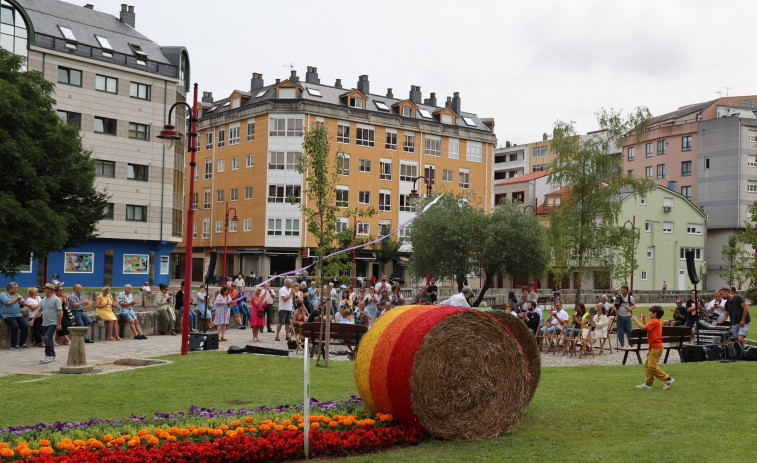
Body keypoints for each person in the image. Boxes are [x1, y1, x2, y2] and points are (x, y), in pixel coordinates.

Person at [632, 306, 675, 390]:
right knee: (647, 365)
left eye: (650, 312)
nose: (648, 313)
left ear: (655, 314)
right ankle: (648, 383)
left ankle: (668, 379)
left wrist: (635, 320)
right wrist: (644, 320)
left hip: (656, 348)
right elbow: (648, 328)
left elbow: (643, 328)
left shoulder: (655, 321)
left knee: (652, 366)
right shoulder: (655, 321)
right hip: (654, 347)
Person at [39, 283, 63, 363]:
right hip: (45, 322)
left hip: (53, 322)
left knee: (46, 338)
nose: (44, 289)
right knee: (48, 339)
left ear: (50, 290)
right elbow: (39, 310)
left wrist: (59, 323)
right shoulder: (43, 300)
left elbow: (60, 311)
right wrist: (33, 319)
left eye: (45, 288)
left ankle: (49, 355)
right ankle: (51, 355)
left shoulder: (56, 299)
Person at [1, 282, 29, 350]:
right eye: (15, 288)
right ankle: (14, 345)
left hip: (17, 314)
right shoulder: (3, 294)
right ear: (10, 288)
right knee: (15, 326)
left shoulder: (17, 295)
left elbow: (23, 302)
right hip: (7, 315)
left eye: (17, 287)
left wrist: (25, 303)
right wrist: (17, 298)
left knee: (25, 326)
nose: (17, 289)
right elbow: (8, 303)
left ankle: (22, 343)